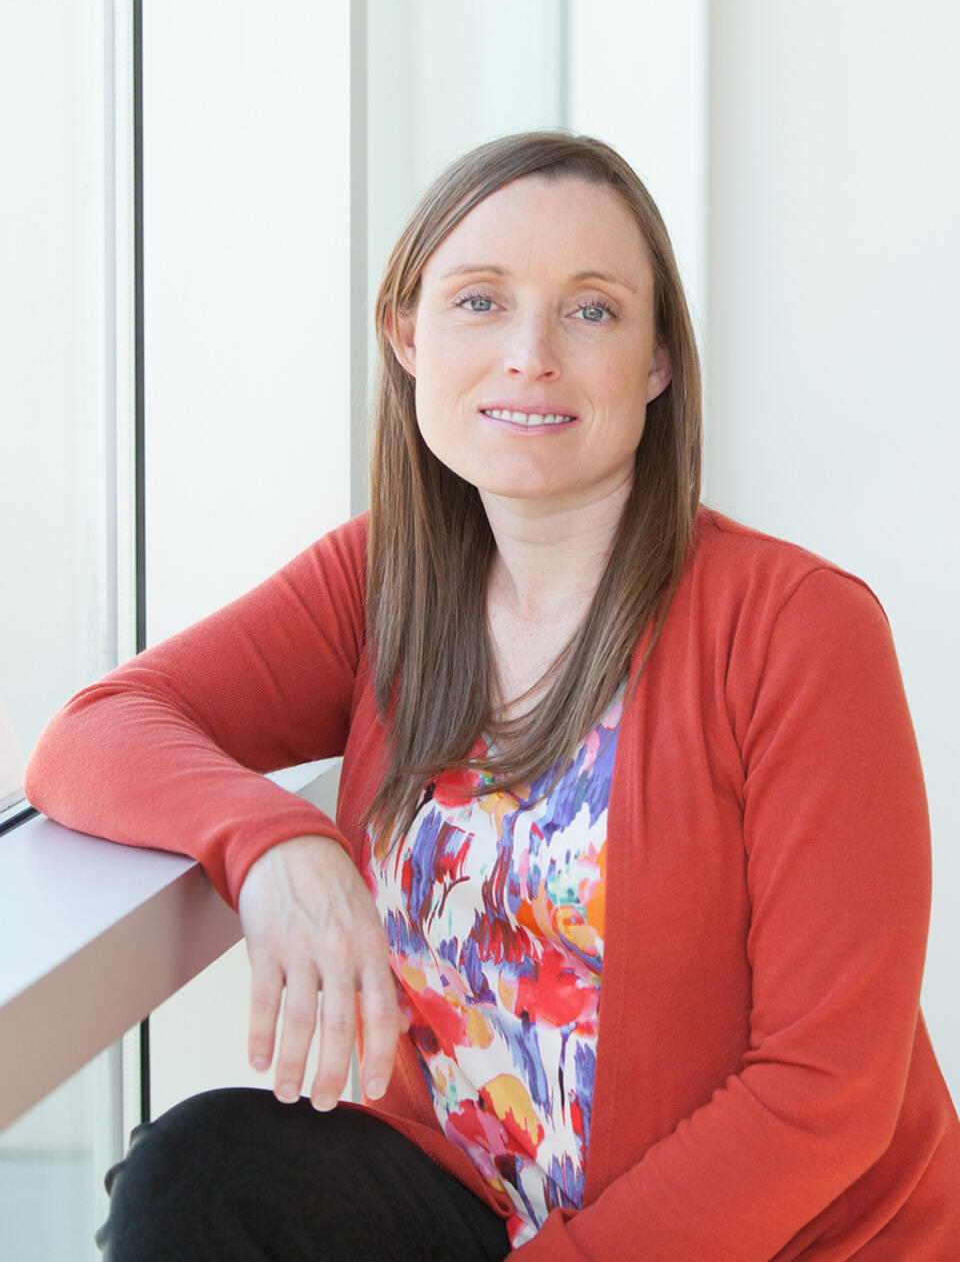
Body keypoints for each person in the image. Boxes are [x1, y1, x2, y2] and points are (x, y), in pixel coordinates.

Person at [25, 130, 960, 1261]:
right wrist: (278, 846)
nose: (530, 354)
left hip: (766, 1242)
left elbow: (826, 1093)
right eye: (480, 301)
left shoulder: (801, 630)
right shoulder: (384, 582)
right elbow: (95, 733)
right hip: (475, 1195)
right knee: (200, 1175)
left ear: (658, 360)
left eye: (593, 310)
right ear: (407, 335)